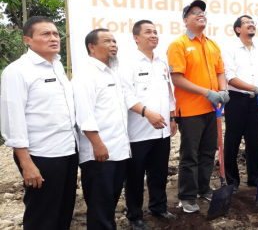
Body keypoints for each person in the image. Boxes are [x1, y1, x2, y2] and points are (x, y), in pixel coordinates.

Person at [0, 16, 78, 230]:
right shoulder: (18, 71)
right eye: (45, 34)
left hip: (68, 150)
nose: (53, 38)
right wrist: (27, 164)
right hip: (41, 155)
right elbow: (12, 120)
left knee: (64, 209)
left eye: (55, 33)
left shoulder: (57, 66)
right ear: (27, 40)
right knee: (41, 214)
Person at [167, 0, 229, 213]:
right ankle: (187, 196)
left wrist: (223, 91)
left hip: (213, 109)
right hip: (191, 110)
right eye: (195, 12)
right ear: (185, 20)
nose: (201, 14)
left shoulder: (212, 44)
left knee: (208, 152)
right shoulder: (179, 44)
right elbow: (177, 79)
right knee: (190, 155)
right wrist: (207, 92)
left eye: (202, 11)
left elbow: (220, 71)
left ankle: (204, 188)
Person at [120, 20, 177, 230]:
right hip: (138, 132)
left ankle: (159, 207)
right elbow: (126, 95)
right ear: (136, 37)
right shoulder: (128, 63)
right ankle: (134, 215)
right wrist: (146, 113)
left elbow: (168, 92)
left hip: (161, 131)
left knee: (159, 172)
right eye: (148, 32)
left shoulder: (162, 62)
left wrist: (172, 117)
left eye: (155, 32)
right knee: (135, 176)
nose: (153, 35)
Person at [72, 28, 131, 230]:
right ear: (91, 47)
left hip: (118, 150)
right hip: (99, 154)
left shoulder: (113, 72)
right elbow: (84, 114)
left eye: (114, 41)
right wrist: (97, 144)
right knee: (100, 207)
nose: (113, 44)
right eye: (107, 41)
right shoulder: (86, 75)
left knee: (110, 203)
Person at [222, 15, 258, 193]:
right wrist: (254, 88)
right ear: (237, 29)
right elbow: (230, 77)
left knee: (254, 141)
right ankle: (232, 181)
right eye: (247, 23)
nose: (252, 25)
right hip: (236, 100)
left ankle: (254, 177)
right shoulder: (230, 49)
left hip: (256, 101)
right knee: (232, 142)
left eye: (253, 23)